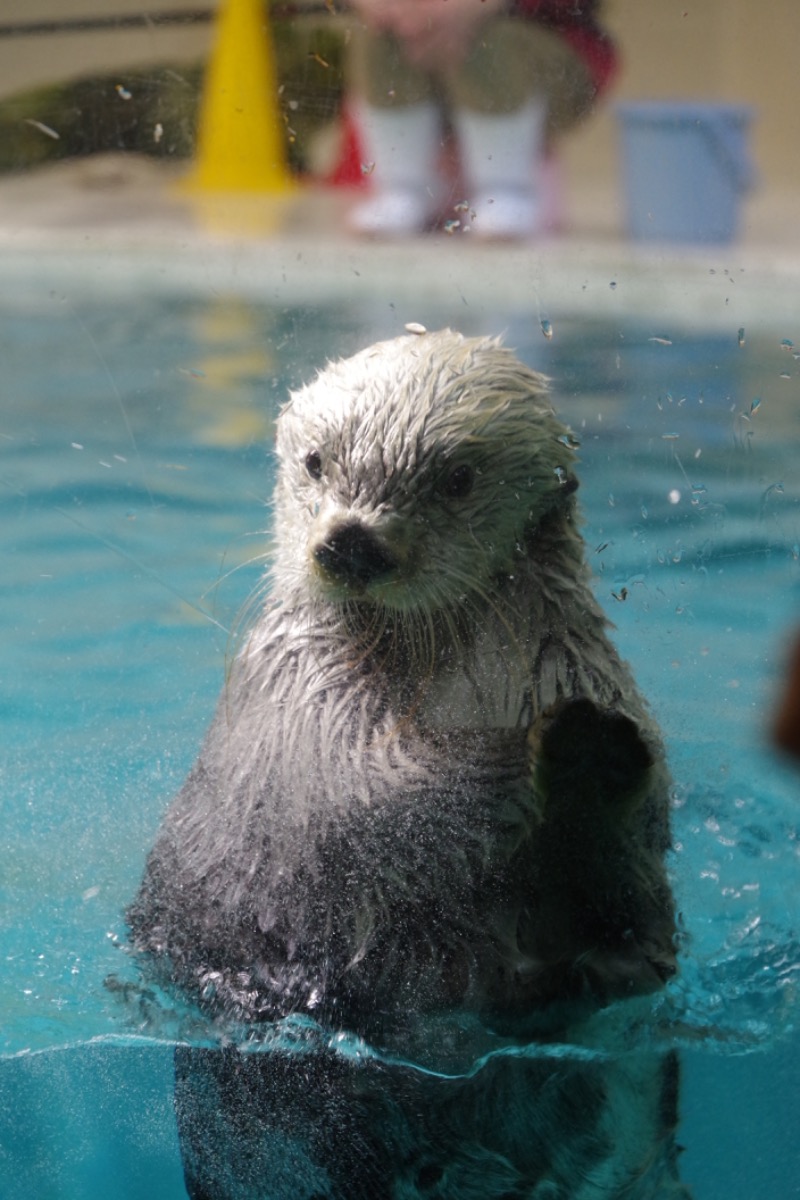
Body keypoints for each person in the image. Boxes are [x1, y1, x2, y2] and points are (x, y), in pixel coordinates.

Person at [344, 0, 618, 239]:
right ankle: (402, 190)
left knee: (491, 42)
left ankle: (506, 190)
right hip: (420, 43)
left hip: (541, 50)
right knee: (378, 38)